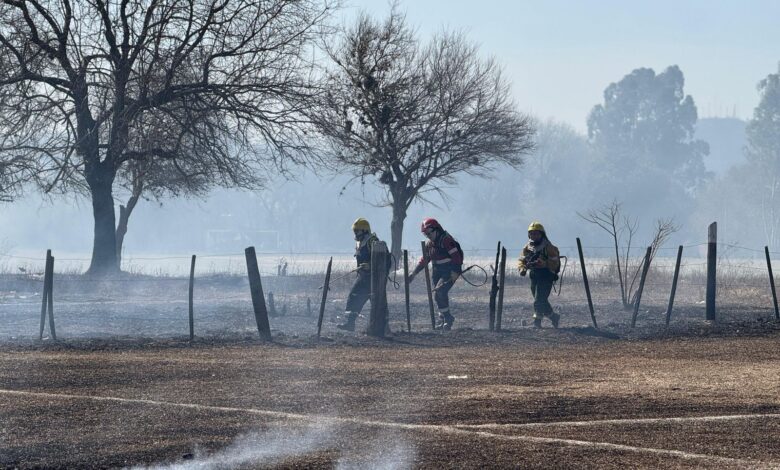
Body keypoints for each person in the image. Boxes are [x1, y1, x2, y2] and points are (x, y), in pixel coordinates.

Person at [409, 218, 463, 330]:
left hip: (449, 271)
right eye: (426, 234)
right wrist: (413, 274)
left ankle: (448, 318)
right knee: (438, 295)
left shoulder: (447, 240)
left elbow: (456, 256)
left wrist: (455, 271)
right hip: (437, 272)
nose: (428, 236)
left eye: (429, 232)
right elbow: (425, 260)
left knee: (440, 291)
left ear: (437, 229)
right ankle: (443, 318)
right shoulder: (429, 245)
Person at [337, 217, 383, 331]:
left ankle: (381, 327)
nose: (355, 233)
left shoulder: (373, 241)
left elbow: (382, 261)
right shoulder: (359, 243)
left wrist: (370, 265)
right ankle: (349, 323)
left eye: (357, 231)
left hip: (374, 278)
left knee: (377, 303)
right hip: (362, 277)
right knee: (354, 297)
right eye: (355, 231)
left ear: (364, 230)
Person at [518, 221, 561, 328]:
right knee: (541, 300)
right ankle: (554, 317)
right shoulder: (527, 248)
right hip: (534, 276)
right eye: (532, 234)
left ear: (542, 234)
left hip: (546, 276)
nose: (534, 236)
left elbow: (555, 262)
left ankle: (537, 322)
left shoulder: (548, 247)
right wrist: (522, 268)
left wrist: (544, 263)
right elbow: (521, 260)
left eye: (536, 234)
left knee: (539, 300)